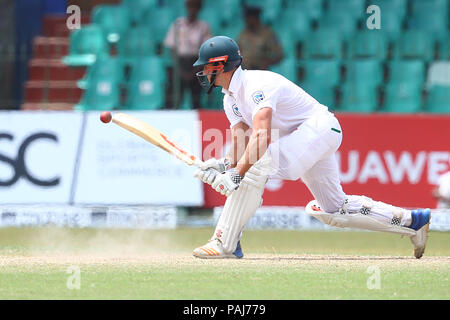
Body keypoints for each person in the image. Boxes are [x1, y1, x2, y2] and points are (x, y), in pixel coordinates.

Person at [191, 36, 432, 260]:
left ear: (221, 64)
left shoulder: (256, 85)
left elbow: (262, 135)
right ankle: (413, 222)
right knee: (334, 209)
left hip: (319, 129)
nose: (202, 72)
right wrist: (224, 164)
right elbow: (241, 137)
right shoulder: (229, 97)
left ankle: (226, 243)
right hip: (308, 137)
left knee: (256, 164)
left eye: (206, 67)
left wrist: (235, 174)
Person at [163, 0, 211, 109]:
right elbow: (172, 48)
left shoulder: (203, 27)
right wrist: (179, 69)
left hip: (196, 63)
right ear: (187, 7)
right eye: (191, 6)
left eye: (195, 6)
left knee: (196, 98)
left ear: (199, 9)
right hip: (179, 61)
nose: (193, 9)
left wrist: (195, 70)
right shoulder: (178, 24)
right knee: (174, 97)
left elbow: (205, 51)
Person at [237, 6, 283, 70]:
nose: (246, 21)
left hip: (261, 72)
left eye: (248, 18)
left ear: (255, 18)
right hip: (245, 71)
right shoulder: (243, 33)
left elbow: (279, 55)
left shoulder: (267, 34)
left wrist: (267, 62)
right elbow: (237, 51)